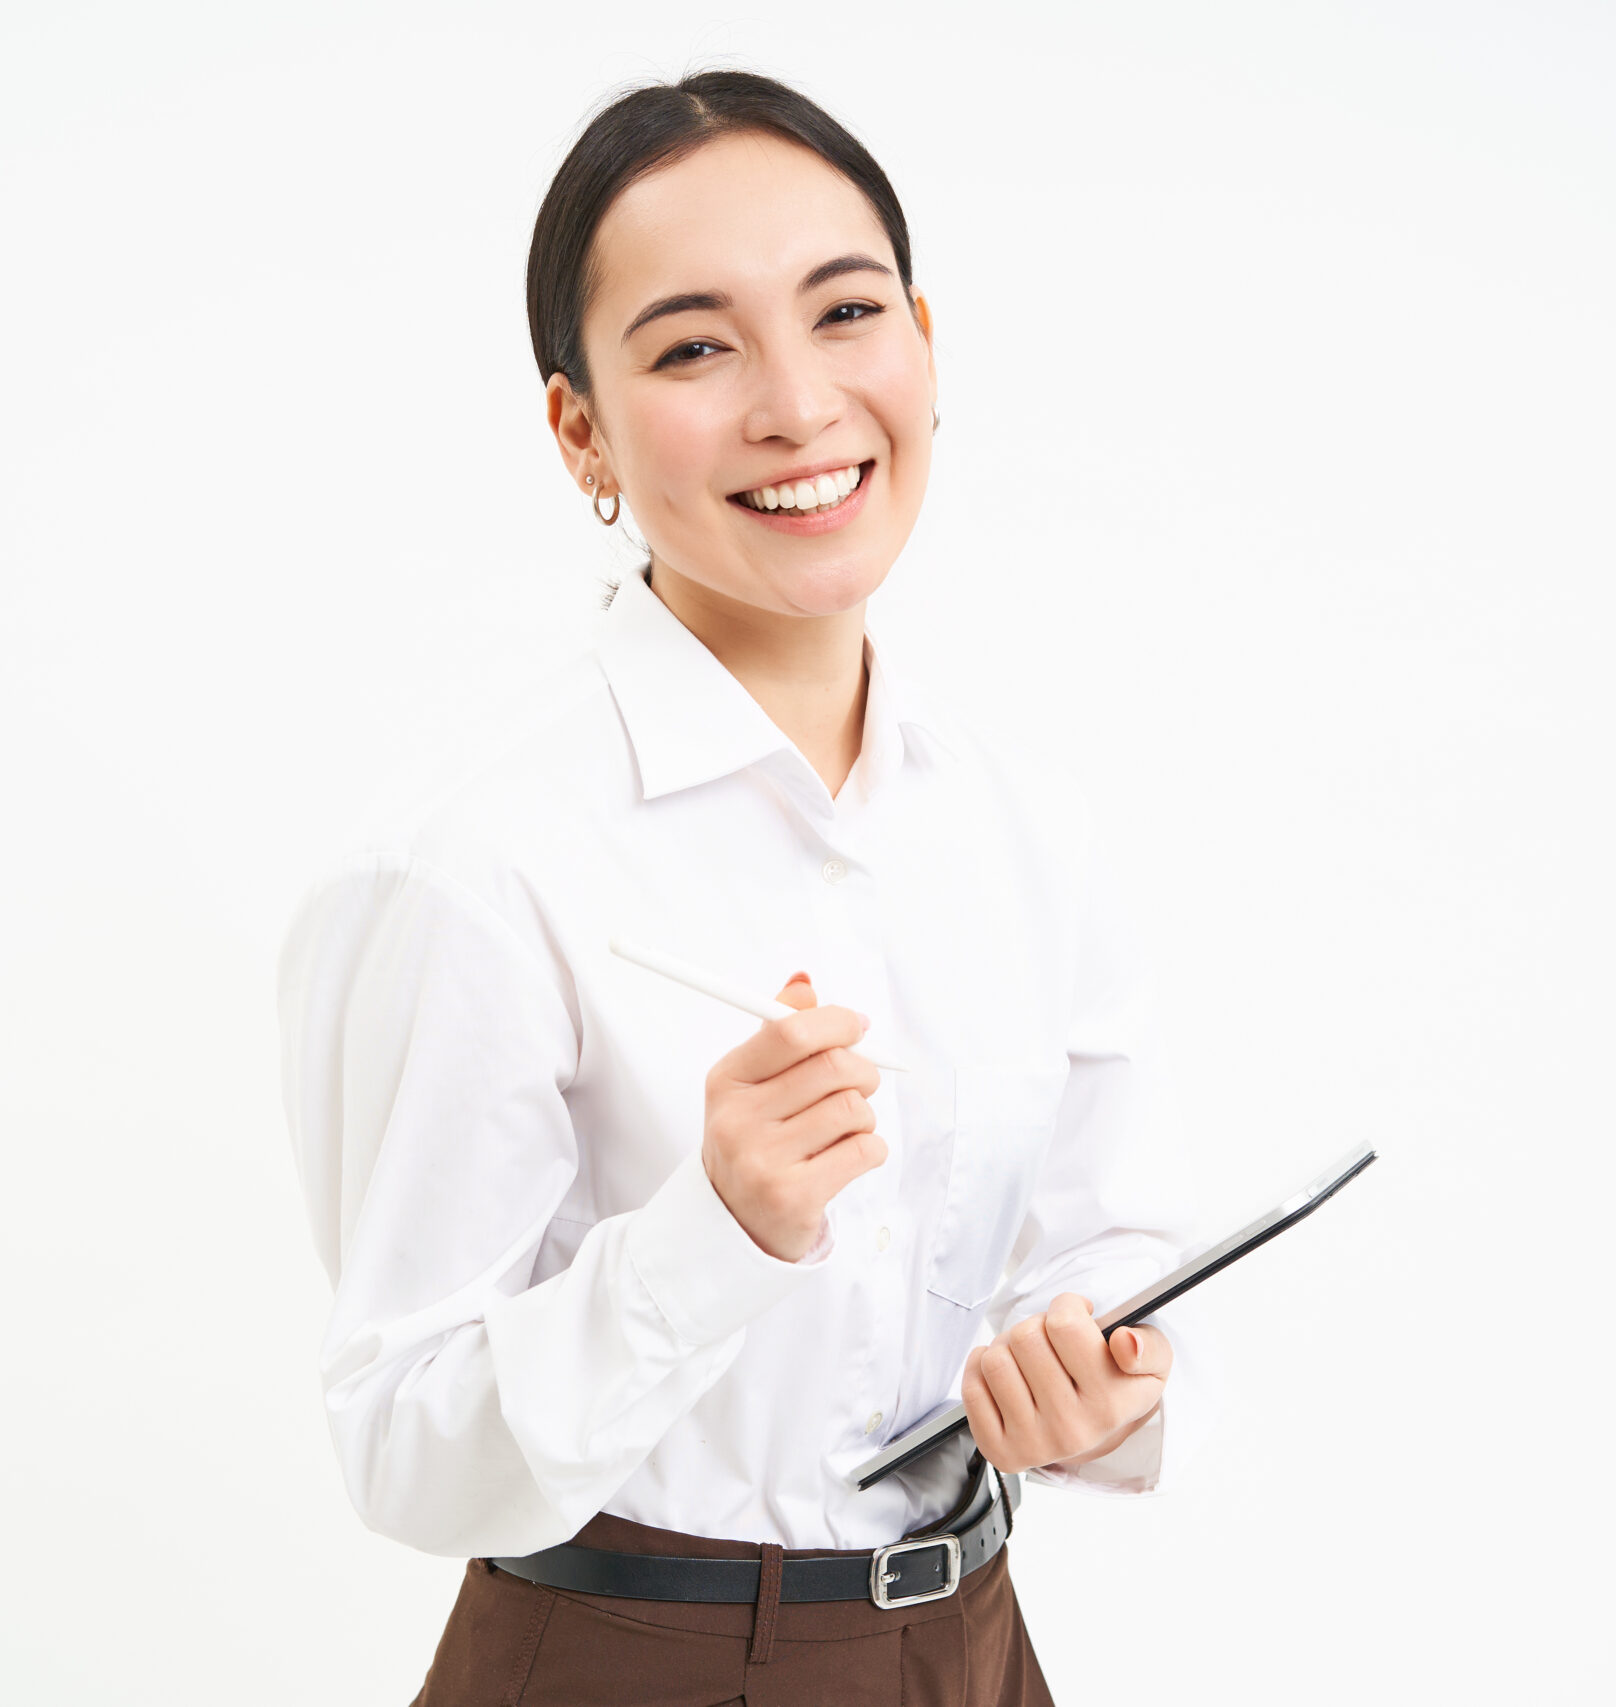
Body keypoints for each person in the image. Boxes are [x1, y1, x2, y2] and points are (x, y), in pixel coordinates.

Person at [279, 69, 1203, 1706]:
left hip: (973, 1648)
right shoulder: (474, 864)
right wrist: (714, 1236)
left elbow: (1089, 1247)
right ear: (583, 431)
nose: (799, 403)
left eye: (845, 313)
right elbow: (400, 1448)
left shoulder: (1017, 826)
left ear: (922, 340)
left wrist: (1098, 1382)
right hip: (630, 1662)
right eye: (697, 346)